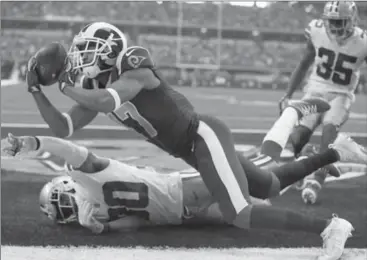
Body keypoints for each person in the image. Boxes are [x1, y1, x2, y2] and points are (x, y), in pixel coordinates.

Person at [25, 22, 366, 260]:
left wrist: (66, 84)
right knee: (269, 185)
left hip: (202, 137)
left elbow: (105, 102)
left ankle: (331, 227)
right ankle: (336, 151)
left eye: (87, 50)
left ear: (107, 50)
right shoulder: (97, 89)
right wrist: (37, 90)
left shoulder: (134, 70)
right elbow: (64, 127)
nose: (79, 58)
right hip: (191, 148)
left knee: (240, 214)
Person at [2, 133, 365, 237]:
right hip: (183, 208)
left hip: (187, 188)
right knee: (261, 188)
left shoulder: (87, 178)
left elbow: (72, 150)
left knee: (265, 186)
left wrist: (32, 144)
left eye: (61, 206)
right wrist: (102, 228)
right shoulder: (90, 210)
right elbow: (137, 222)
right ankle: (323, 158)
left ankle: (332, 151)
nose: (66, 212)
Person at [277, 1, 367, 204]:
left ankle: (315, 180)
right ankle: (303, 160)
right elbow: (304, 63)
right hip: (315, 90)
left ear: (352, 20)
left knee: (328, 133)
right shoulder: (317, 31)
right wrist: (288, 93)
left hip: (341, 94)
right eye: (332, 21)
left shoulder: (363, 41)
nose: (335, 27)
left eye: (340, 21)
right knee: (298, 137)